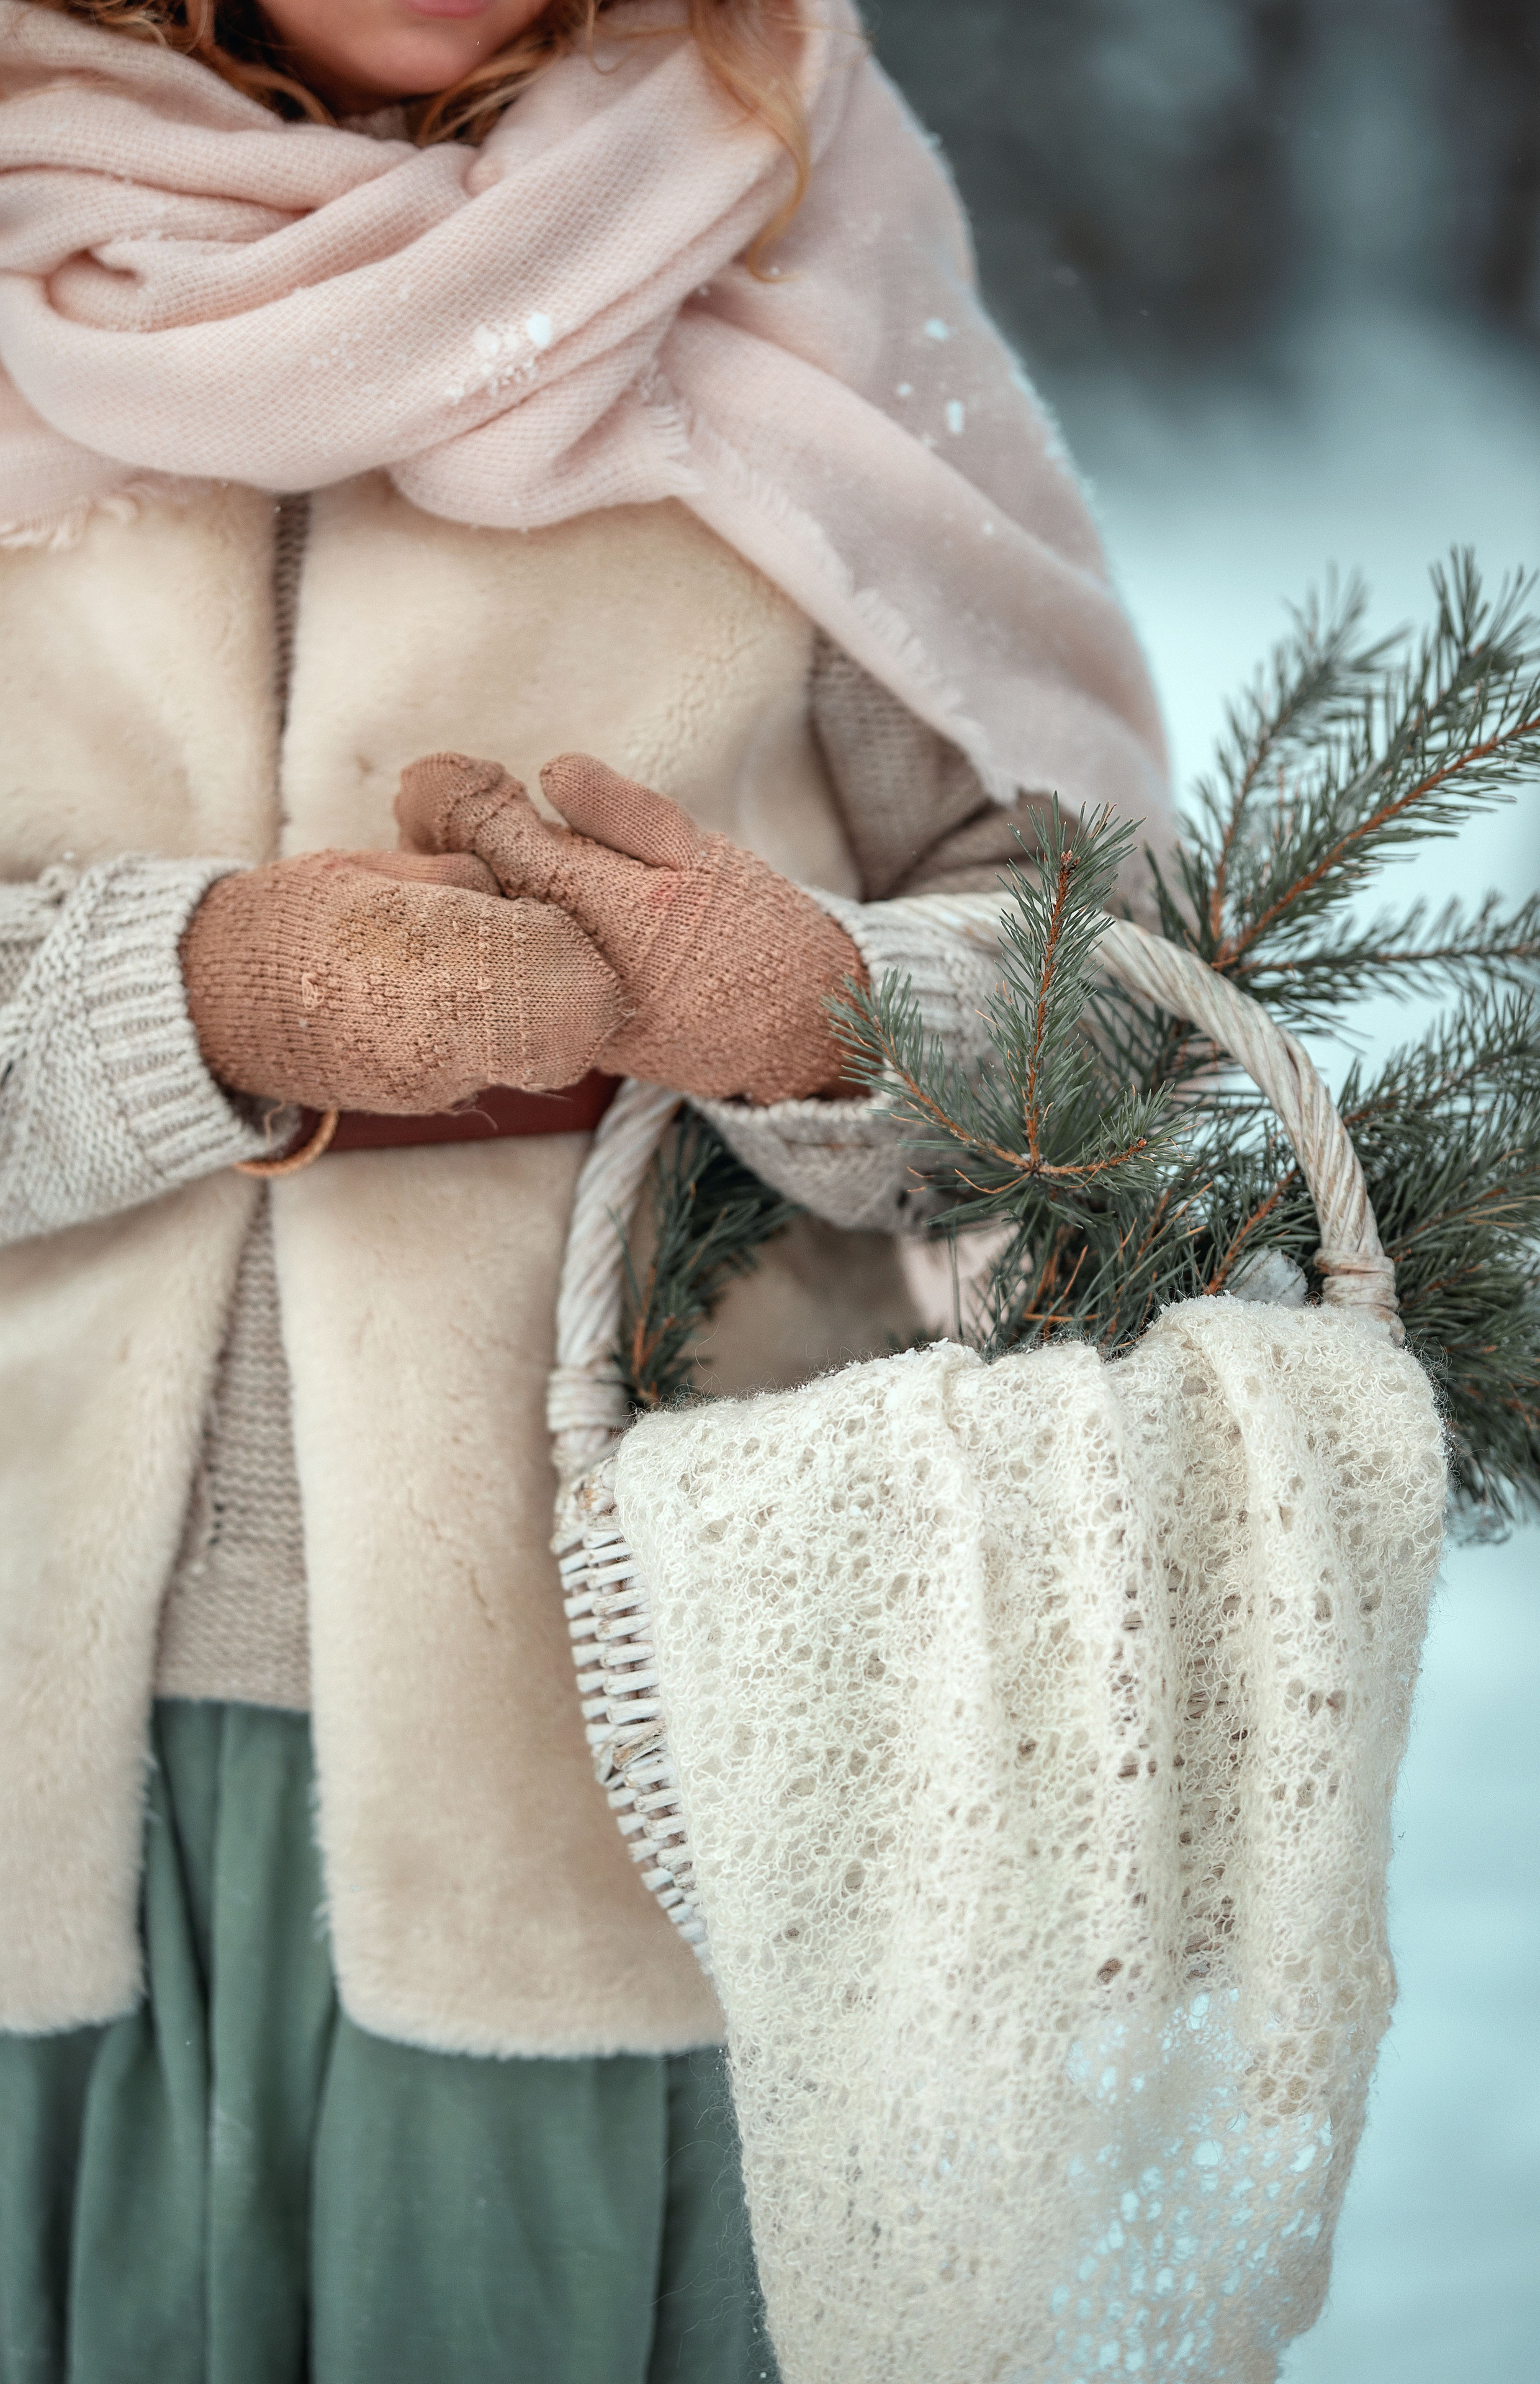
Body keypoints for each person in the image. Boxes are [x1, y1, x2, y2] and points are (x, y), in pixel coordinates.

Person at [0, 1, 1172, 2376]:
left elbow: (1109, 986)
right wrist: (193, 995)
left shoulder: (785, 241)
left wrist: (822, 1019)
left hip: (642, 1748)